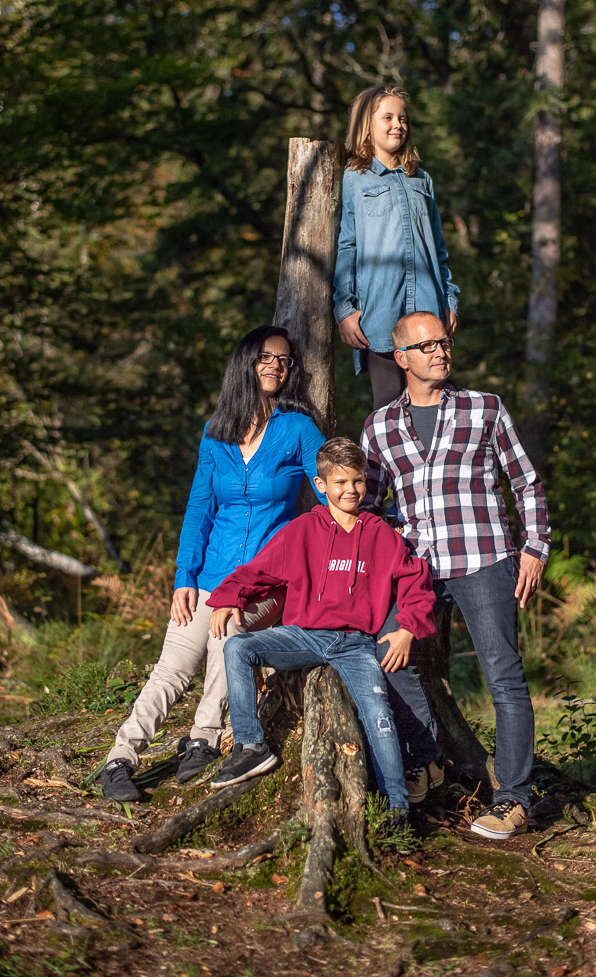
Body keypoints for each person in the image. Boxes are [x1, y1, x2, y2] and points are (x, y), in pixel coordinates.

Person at [100, 325, 326, 802]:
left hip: (263, 584)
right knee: (172, 667)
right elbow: (200, 509)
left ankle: (203, 738)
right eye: (265, 356)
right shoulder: (216, 431)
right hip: (208, 574)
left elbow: (328, 490)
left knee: (232, 636)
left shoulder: (298, 429)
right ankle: (121, 757)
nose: (275, 365)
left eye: (284, 360)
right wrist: (184, 577)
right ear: (246, 362)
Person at [360, 311, 550, 840]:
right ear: (401, 358)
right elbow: (371, 508)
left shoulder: (484, 408)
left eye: (444, 343)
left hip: (485, 558)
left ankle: (512, 800)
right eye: (426, 347)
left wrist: (535, 548)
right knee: (390, 656)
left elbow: (525, 482)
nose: (440, 352)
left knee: (504, 679)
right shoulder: (379, 426)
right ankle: (427, 758)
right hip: (416, 566)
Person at [204, 437, 436, 820]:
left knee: (378, 714)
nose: (350, 490)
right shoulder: (302, 530)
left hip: (357, 643)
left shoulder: (381, 535)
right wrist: (229, 596)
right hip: (303, 635)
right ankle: (250, 746)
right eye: (341, 483)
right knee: (237, 648)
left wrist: (408, 628)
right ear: (320, 485)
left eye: (358, 481)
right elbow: (258, 570)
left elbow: (416, 582)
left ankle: (396, 808)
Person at [333, 84, 460, 409]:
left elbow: (440, 250)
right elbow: (346, 246)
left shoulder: (422, 179)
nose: (397, 125)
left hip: (430, 310)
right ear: (366, 125)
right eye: (387, 117)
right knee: (389, 408)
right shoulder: (352, 179)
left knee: (440, 402)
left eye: (402, 118)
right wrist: (345, 309)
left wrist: (450, 300)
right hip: (379, 314)